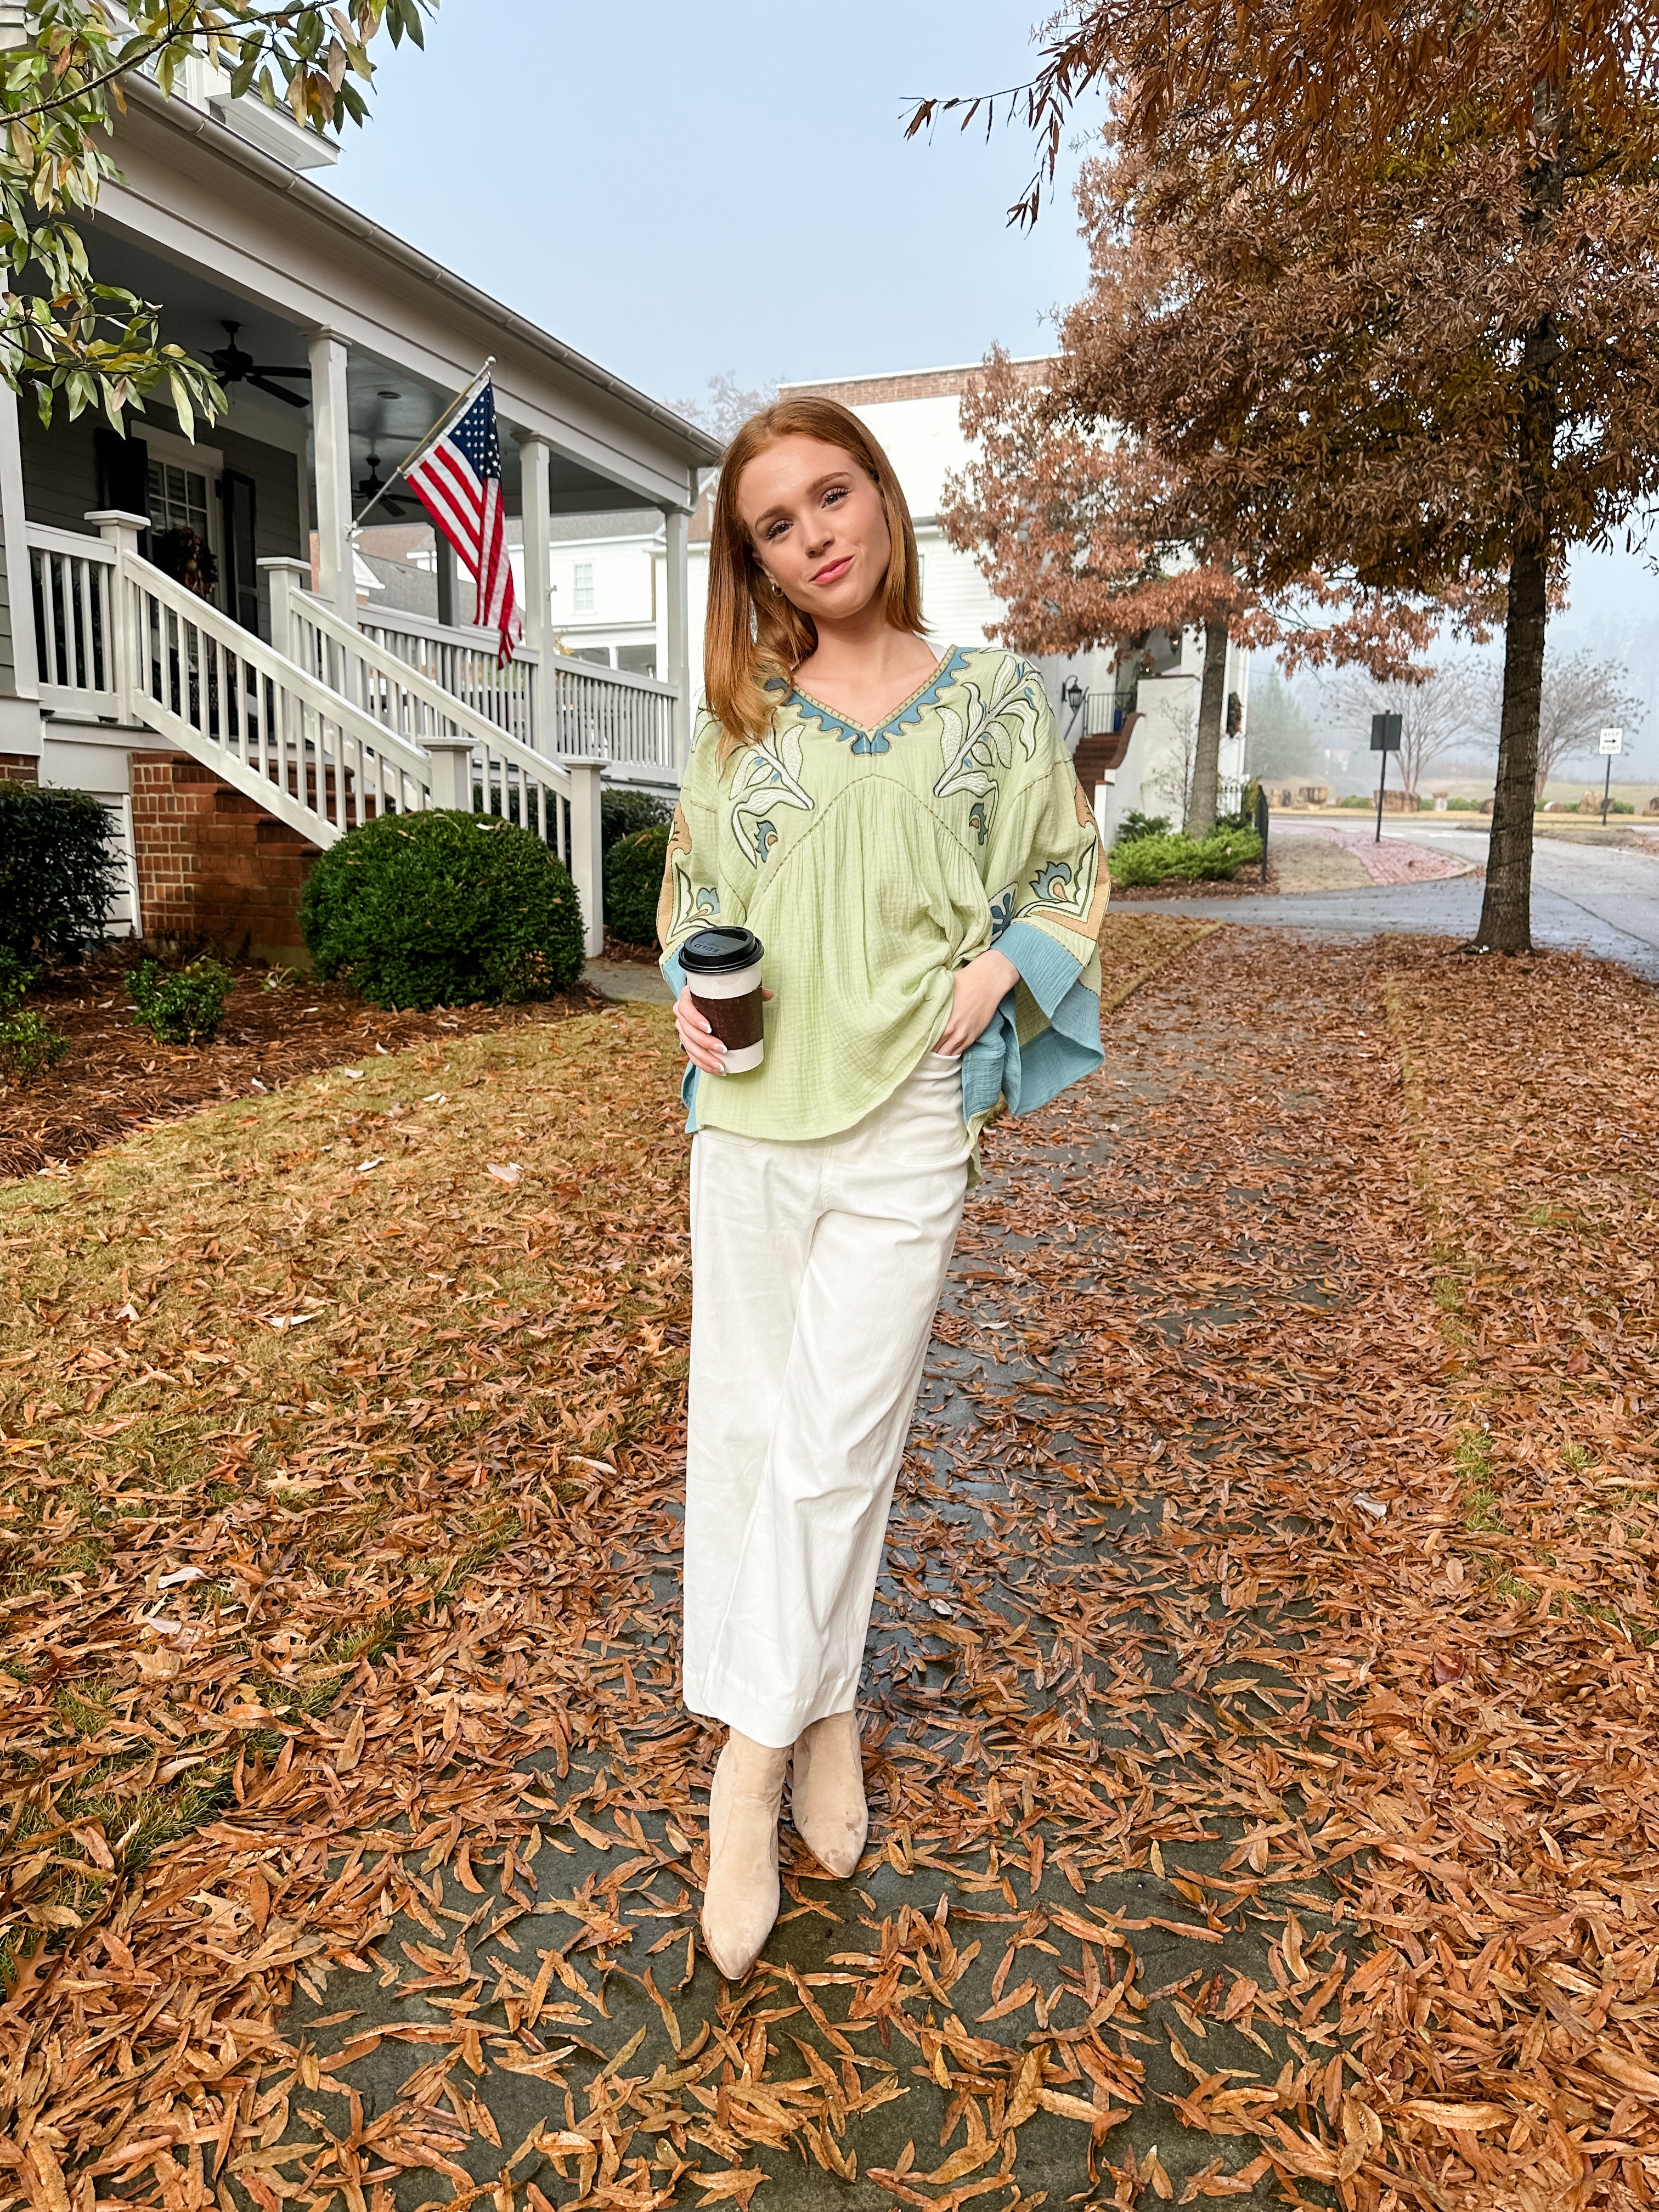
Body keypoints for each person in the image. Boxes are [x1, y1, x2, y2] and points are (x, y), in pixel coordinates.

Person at [656, 396, 1109, 1979]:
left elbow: (1065, 877)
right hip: (755, 1128)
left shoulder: (993, 705)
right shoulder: (743, 719)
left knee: (841, 1447)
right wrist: (687, 1000)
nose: (814, 536)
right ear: (755, 558)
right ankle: (828, 1708)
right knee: (758, 1434)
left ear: (881, 499)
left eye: (830, 497)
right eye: (776, 525)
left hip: (910, 1118)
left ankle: (748, 1768)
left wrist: (1006, 965)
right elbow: (694, 900)